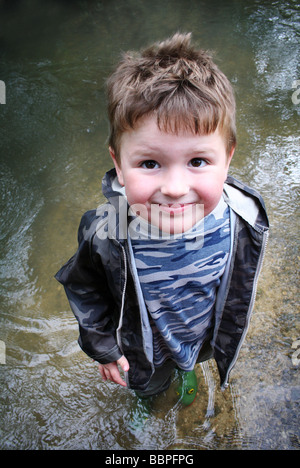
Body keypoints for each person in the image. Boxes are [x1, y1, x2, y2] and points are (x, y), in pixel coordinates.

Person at [55, 33, 269, 402]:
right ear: (119, 165)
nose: (174, 187)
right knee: (150, 391)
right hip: (145, 352)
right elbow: (84, 288)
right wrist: (104, 349)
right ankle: (150, 399)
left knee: (191, 367)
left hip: (201, 339)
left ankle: (187, 374)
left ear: (228, 158)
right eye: (150, 163)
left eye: (197, 161)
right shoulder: (107, 231)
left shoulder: (242, 219)